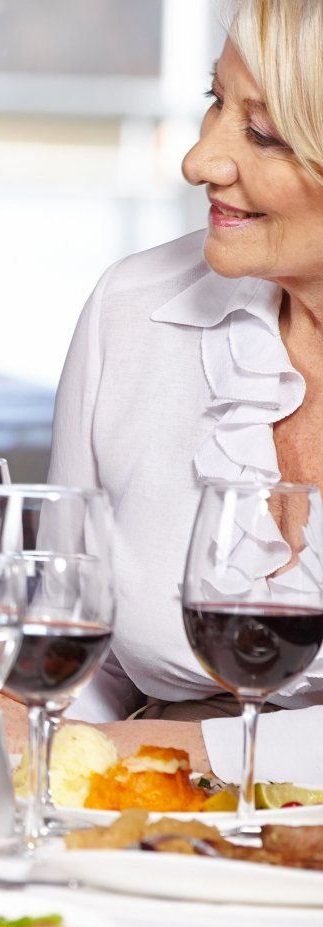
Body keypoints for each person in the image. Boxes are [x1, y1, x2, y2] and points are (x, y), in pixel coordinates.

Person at [31, 0, 323, 782]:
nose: (201, 160)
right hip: (139, 819)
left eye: (262, 133)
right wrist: (12, 728)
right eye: (215, 103)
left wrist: (180, 753)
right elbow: (78, 649)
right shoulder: (133, 308)